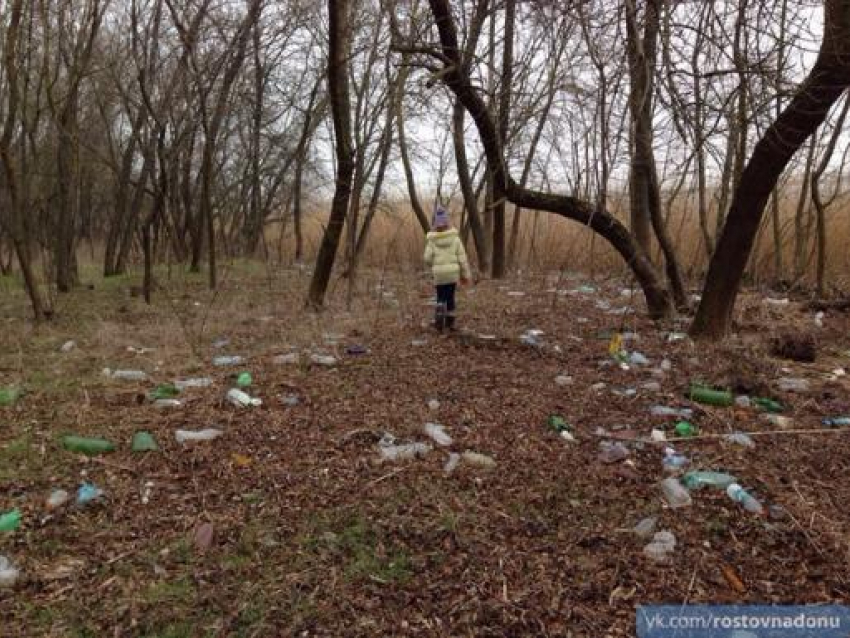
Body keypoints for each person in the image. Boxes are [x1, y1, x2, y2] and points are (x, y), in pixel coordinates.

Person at [423, 206, 471, 331]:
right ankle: (450, 323)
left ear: (436, 225)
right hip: (452, 274)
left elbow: (427, 258)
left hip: (439, 274)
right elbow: (462, 258)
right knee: (450, 298)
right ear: (447, 223)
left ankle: (439, 322)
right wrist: (465, 275)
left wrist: (433, 264)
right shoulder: (455, 239)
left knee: (440, 297)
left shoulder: (432, 240)